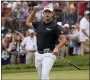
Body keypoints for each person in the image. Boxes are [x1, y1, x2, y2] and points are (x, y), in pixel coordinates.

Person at [26, 3, 66, 80]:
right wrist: (33, 12)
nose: (47, 14)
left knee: (44, 75)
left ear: (52, 14)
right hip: (38, 54)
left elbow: (64, 39)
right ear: (43, 13)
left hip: (49, 54)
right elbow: (27, 22)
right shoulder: (39, 24)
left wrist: (57, 48)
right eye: (46, 12)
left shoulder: (56, 26)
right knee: (41, 76)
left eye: (49, 12)